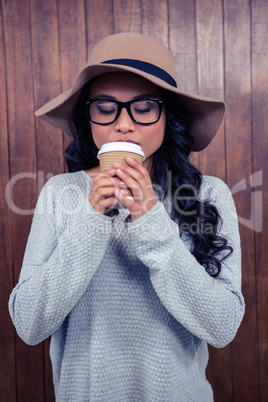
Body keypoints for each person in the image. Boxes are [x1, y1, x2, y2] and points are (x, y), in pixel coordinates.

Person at [9, 33, 245, 401]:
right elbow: (29, 323)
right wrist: (90, 220)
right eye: (105, 108)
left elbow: (223, 326)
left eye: (144, 106)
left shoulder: (208, 195)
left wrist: (151, 220)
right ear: (87, 117)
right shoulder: (60, 194)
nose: (123, 124)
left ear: (168, 115)